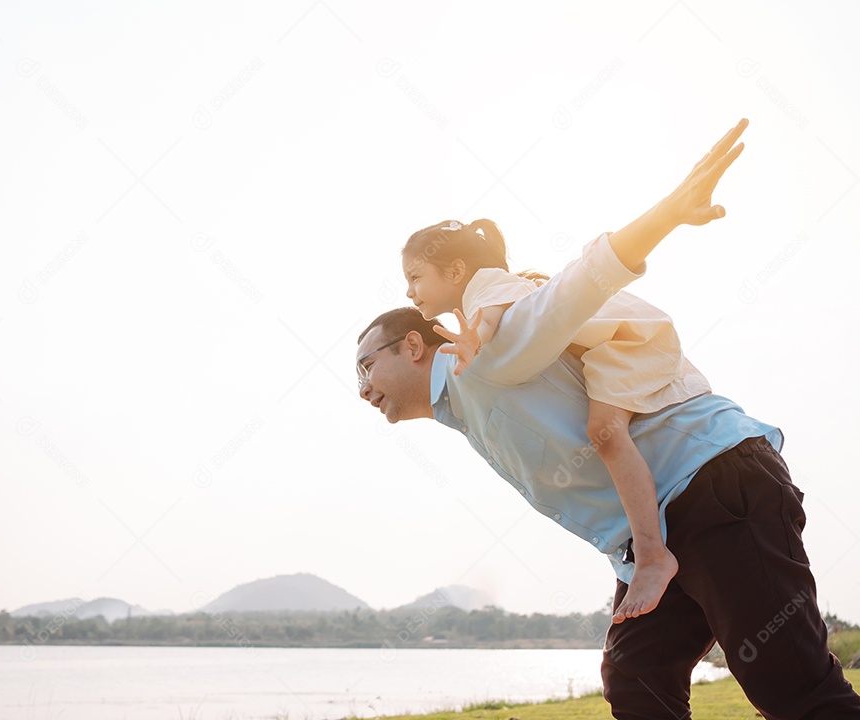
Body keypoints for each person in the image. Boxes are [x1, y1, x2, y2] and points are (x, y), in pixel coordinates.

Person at [356, 119, 860, 717]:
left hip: (713, 485)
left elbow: (576, 286)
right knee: (636, 678)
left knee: (795, 692)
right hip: (661, 530)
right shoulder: (468, 395)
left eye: (366, 367)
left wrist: (667, 214)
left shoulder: (488, 349)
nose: (362, 388)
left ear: (413, 348)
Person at [399, 218, 710, 624]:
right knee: (606, 434)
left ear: (455, 271)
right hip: (613, 345)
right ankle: (649, 551)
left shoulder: (485, 287)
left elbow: (492, 318)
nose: (408, 291)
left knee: (606, 435)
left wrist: (476, 336)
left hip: (627, 342)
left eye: (415, 276)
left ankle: (653, 555)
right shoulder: (480, 295)